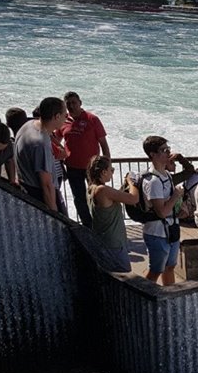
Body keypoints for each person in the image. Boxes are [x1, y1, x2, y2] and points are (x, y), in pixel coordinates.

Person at [61, 91, 110, 228]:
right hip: (72, 168)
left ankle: (102, 224)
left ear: (80, 103)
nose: (71, 106)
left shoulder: (92, 119)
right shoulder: (63, 121)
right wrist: (59, 158)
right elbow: (55, 140)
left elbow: (103, 144)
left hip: (92, 168)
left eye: (74, 102)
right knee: (79, 199)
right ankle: (88, 226)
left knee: (98, 196)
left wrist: (107, 165)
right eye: (68, 104)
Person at [140, 135, 183, 285]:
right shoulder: (152, 181)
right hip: (156, 233)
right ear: (152, 155)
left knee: (170, 267)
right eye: (164, 150)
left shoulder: (166, 176)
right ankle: (143, 296)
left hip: (170, 229)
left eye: (168, 149)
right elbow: (162, 212)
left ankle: (170, 298)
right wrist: (176, 197)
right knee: (156, 270)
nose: (168, 153)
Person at [14, 97, 67, 214]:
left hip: (26, 188)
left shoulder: (28, 125)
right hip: (39, 195)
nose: (66, 118)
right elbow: (47, 185)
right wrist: (55, 215)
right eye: (65, 115)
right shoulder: (41, 144)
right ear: (57, 116)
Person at [85, 155, 138, 273]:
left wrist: (125, 186)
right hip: (113, 243)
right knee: (124, 275)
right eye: (111, 170)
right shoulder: (103, 190)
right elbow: (134, 198)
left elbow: (113, 198)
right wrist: (131, 182)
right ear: (104, 172)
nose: (112, 172)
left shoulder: (92, 188)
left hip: (103, 240)